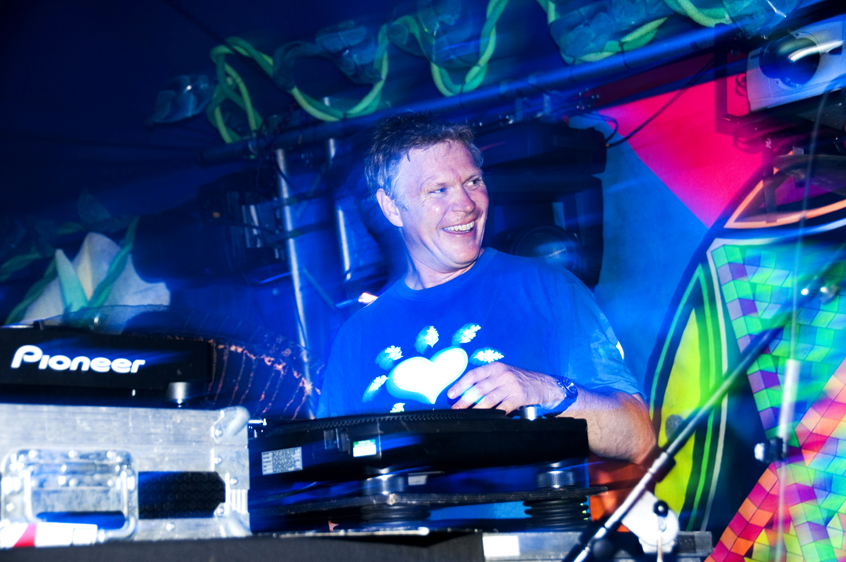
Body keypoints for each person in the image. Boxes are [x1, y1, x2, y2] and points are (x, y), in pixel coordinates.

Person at [316, 112, 655, 463]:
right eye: (439, 190)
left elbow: (639, 438)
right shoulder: (357, 336)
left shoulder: (545, 288)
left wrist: (545, 390)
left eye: (473, 182)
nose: (466, 204)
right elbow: (330, 472)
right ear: (392, 208)